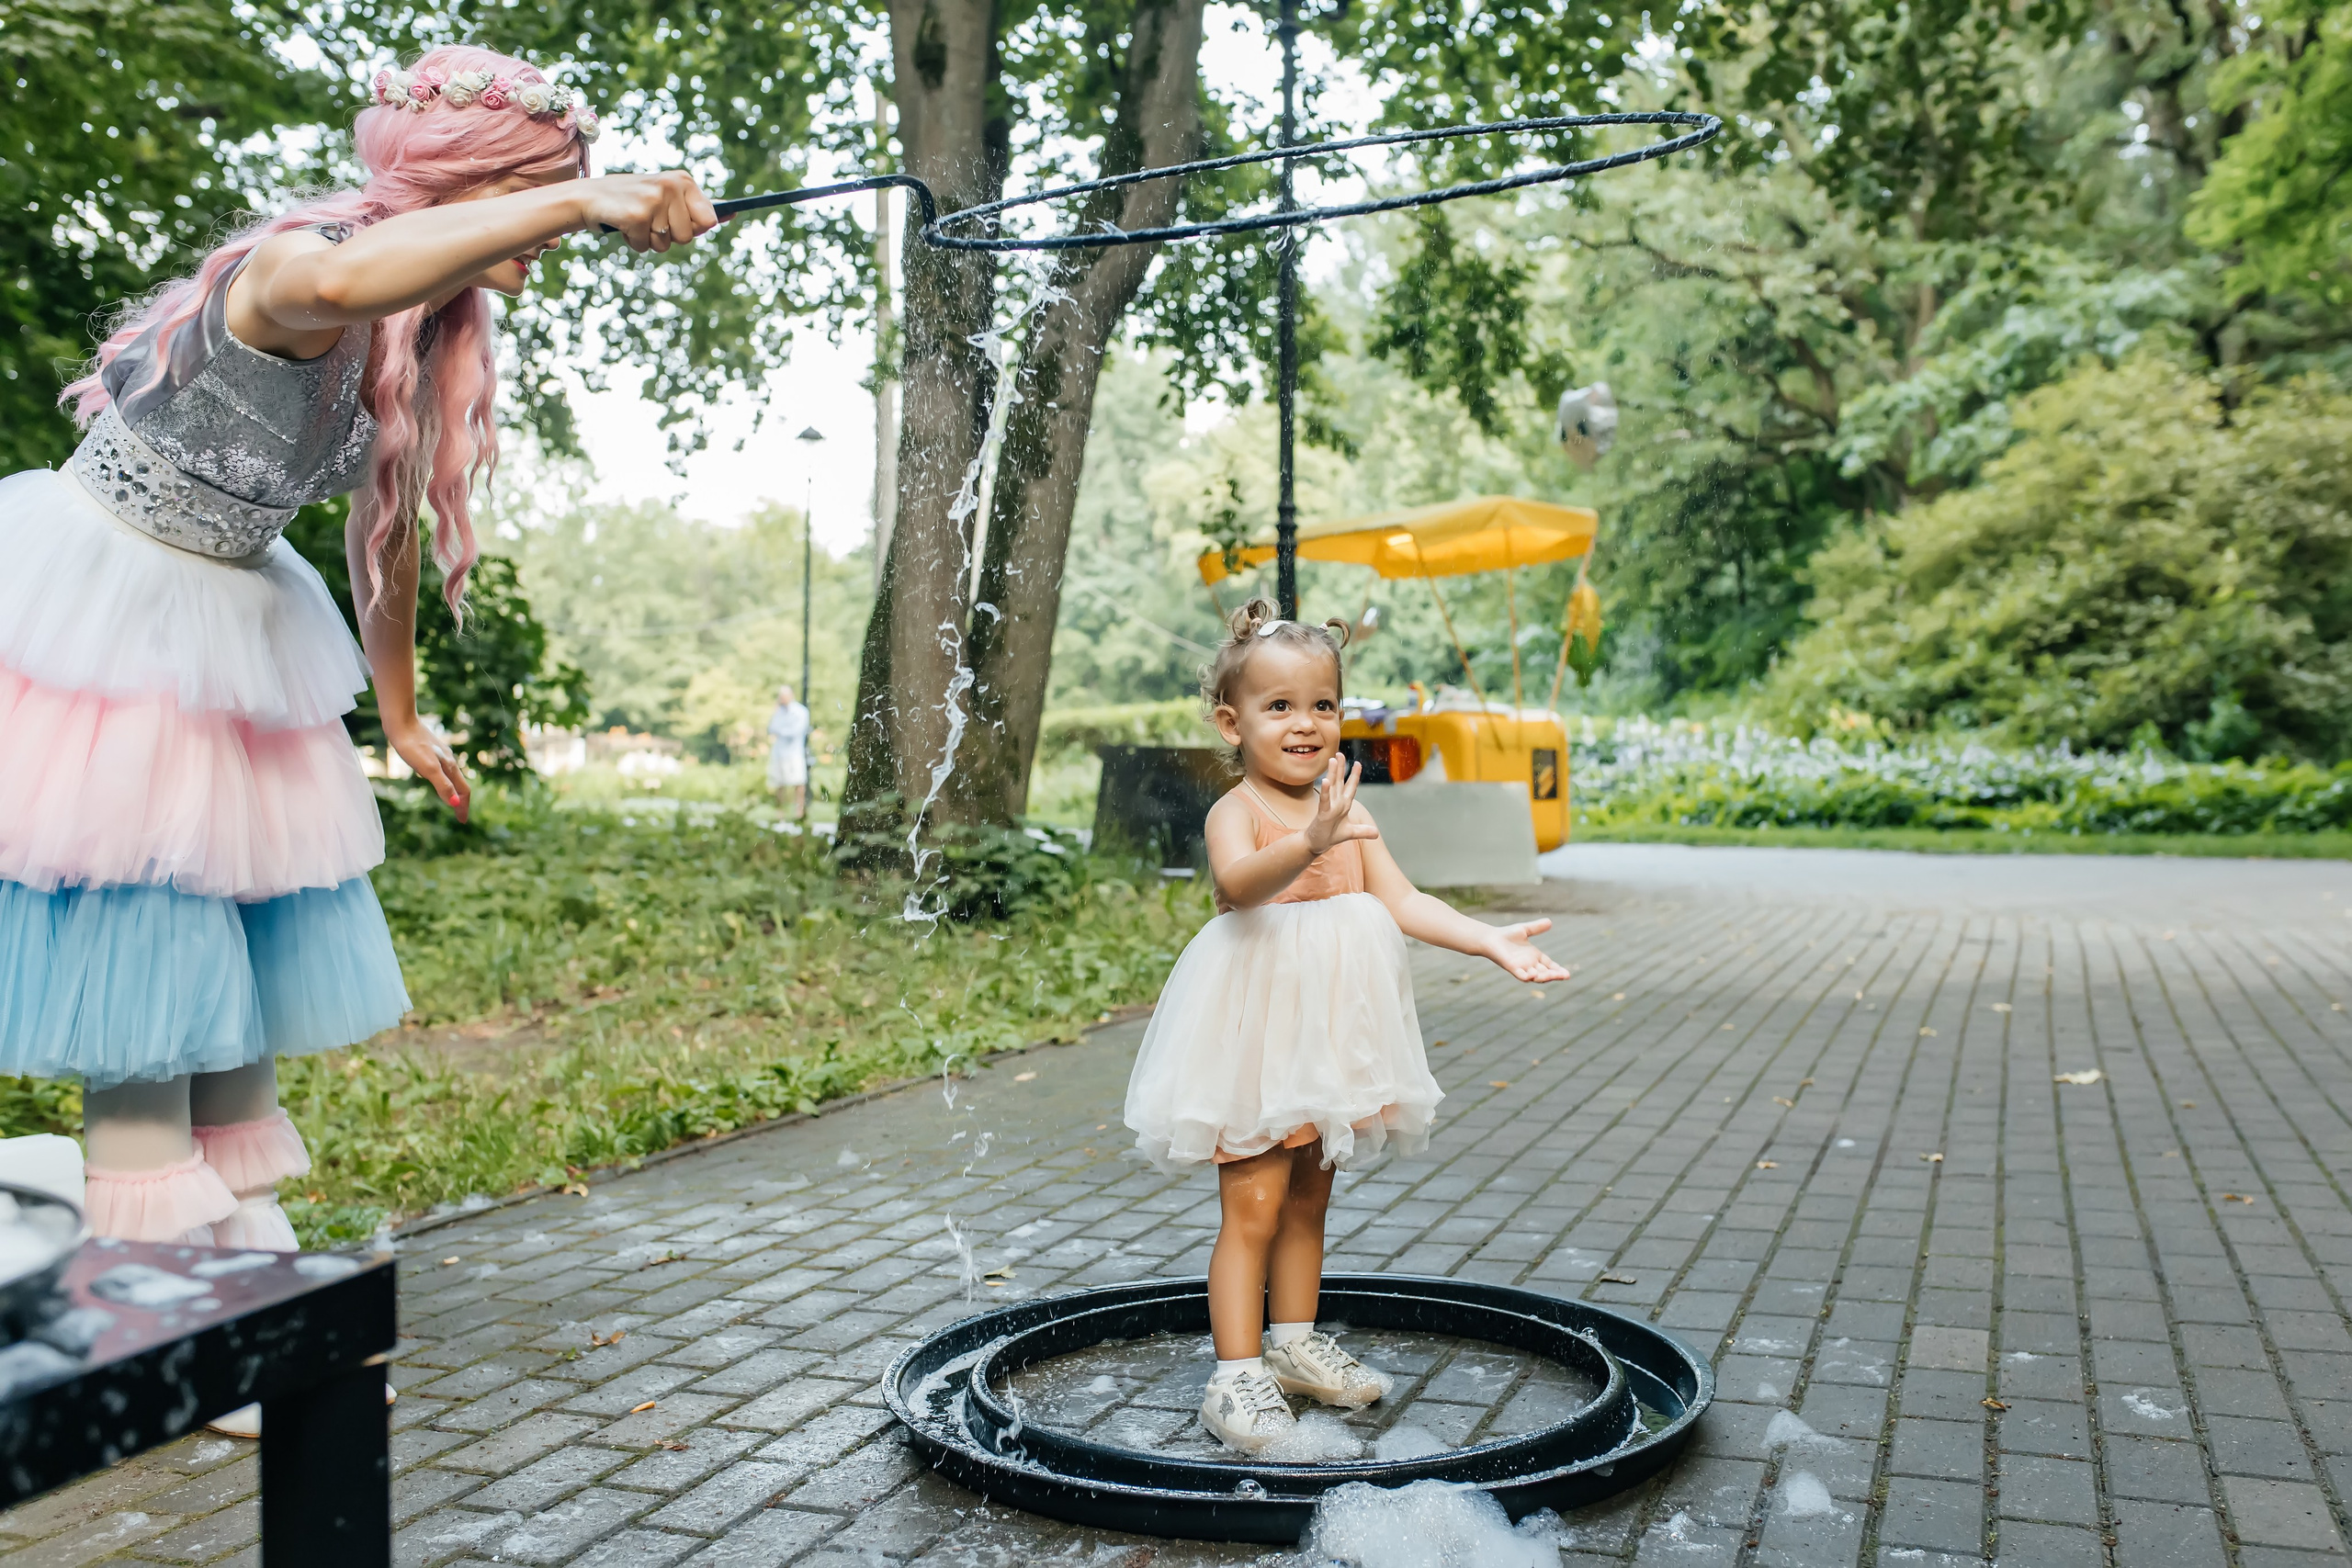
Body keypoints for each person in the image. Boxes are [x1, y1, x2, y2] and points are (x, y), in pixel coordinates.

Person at [0, 45, 718, 1262]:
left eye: (564, 195)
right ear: (459, 189)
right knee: (146, 925)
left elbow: (379, 535)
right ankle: (148, 1254)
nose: (555, 227)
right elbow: (339, 284)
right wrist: (585, 199)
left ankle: (237, 1236)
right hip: (108, 616)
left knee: (237, 935)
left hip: (235, 617)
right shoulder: (298, 262)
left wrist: (400, 711)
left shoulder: (424, 335)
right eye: (534, 194)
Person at [1124, 599, 1572, 1455]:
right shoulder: (1238, 810)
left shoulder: (1349, 810)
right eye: (1279, 706)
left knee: (1308, 1197)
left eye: (1322, 704)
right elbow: (1239, 886)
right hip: (1256, 1040)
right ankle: (1235, 1375)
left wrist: (1487, 939)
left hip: (1328, 1043)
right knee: (1253, 1205)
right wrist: (1309, 840)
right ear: (1232, 722)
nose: (1305, 723)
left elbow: (1402, 899)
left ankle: (1294, 1344)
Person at [767, 683, 811, 814]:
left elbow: (795, 732)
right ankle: (780, 814)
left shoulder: (800, 711)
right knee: (779, 784)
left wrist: (780, 731)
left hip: (794, 753)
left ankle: (799, 813)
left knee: (798, 783)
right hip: (779, 753)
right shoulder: (778, 711)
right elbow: (771, 728)